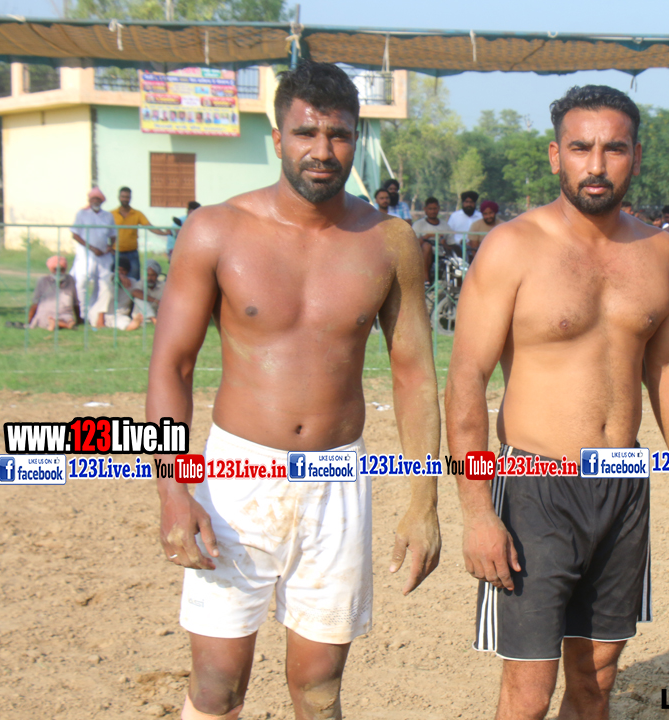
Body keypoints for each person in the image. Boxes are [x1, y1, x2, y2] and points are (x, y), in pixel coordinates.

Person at [147, 60, 441, 720]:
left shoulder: (390, 241)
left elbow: (416, 375)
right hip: (236, 476)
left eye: (339, 135)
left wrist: (424, 502)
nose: (322, 150)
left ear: (356, 139)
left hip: (337, 478)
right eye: (306, 133)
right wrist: (172, 491)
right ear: (278, 137)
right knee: (218, 684)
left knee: (319, 688)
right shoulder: (216, 230)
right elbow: (172, 367)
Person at [446, 84, 669, 720]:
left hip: (623, 485)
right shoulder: (512, 247)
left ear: (636, 156)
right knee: (529, 694)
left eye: (613, 149)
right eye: (580, 147)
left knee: (597, 680)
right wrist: (477, 512)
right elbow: (466, 380)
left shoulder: (658, 252)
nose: (596, 164)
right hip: (535, 488)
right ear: (554, 155)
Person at [70, 187, 118, 325]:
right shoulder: (82, 214)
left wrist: (110, 246)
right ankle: (82, 314)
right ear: (89, 200)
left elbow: (113, 234)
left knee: (103, 285)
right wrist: (92, 248)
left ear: (102, 201)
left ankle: (94, 314)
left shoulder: (108, 216)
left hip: (103, 256)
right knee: (82, 282)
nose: (95, 201)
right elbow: (75, 234)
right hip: (86, 254)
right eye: (93, 199)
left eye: (98, 199)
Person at [113, 186, 171, 280]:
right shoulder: (112, 214)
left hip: (132, 252)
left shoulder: (137, 214)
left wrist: (164, 233)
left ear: (130, 198)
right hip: (116, 252)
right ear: (119, 197)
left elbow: (149, 227)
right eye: (123, 196)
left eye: (127, 197)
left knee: (134, 279)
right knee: (116, 279)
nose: (125, 199)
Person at [26, 255, 79, 331]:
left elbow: (75, 303)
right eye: (55, 269)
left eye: (62, 269)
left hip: (65, 314)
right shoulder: (43, 281)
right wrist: (29, 320)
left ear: (65, 269)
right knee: (47, 319)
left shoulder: (70, 280)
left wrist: (79, 319)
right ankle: (65, 325)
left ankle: (58, 323)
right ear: (50, 269)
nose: (59, 272)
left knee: (69, 319)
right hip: (47, 314)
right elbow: (35, 303)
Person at [101, 256, 145, 331]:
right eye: (118, 269)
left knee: (124, 321)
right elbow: (112, 277)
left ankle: (133, 323)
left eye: (123, 270)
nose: (120, 272)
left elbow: (138, 293)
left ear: (127, 271)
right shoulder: (107, 279)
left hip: (120, 316)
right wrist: (120, 276)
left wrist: (156, 300)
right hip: (105, 315)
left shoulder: (132, 282)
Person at [413, 196, 445, 281]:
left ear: (438, 209)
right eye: (430, 209)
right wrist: (427, 236)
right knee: (427, 246)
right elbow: (413, 245)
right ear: (425, 209)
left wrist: (444, 242)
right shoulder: (418, 225)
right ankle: (425, 280)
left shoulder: (445, 226)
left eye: (435, 209)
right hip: (423, 255)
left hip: (441, 254)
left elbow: (451, 244)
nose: (433, 211)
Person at [127, 258, 165, 323]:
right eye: (147, 275)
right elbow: (135, 292)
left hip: (157, 315)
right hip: (140, 318)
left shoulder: (163, 285)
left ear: (157, 275)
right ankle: (153, 319)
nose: (149, 278)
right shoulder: (140, 283)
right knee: (139, 298)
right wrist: (156, 301)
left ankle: (154, 319)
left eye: (152, 275)